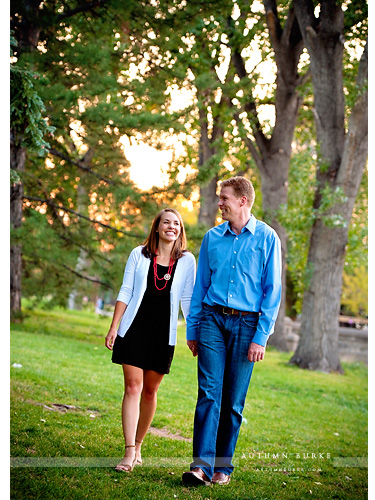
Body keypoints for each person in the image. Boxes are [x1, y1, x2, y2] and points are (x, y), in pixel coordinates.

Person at [182, 176, 282, 486]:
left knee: (233, 400)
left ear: (242, 201)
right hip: (212, 320)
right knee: (209, 393)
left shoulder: (267, 238)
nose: (220, 203)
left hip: (248, 324)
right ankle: (201, 466)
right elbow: (201, 287)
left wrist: (260, 337)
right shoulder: (213, 237)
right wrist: (193, 327)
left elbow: (272, 291)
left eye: (224, 197)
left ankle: (223, 466)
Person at [105, 208, 196, 473]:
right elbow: (126, 290)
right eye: (166, 222)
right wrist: (114, 327)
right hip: (133, 328)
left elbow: (188, 300)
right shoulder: (139, 254)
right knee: (133, 388)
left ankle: (139, 442)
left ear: (180, 230)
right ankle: (129, 451)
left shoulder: (187, 261)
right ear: (156, 227)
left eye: (176, 223)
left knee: (150, 391)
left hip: (162, 333)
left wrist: (192, 333)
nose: (172, 226)